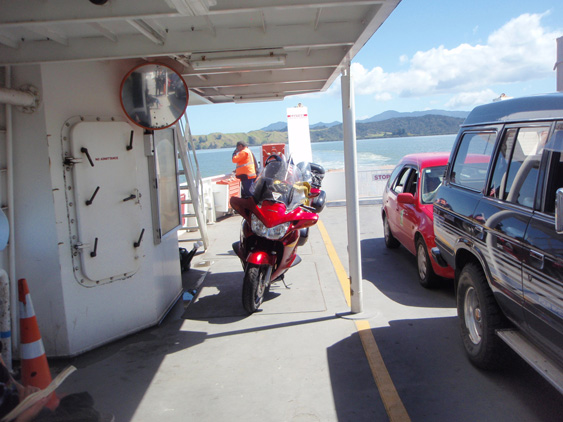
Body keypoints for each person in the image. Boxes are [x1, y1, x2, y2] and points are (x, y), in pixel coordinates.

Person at [0, 354, 112, 422]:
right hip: (19, 417)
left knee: (83, 399)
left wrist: (22, 390)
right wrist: (27, 416)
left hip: (17, 405)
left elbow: (7, 380)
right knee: (86, 416)